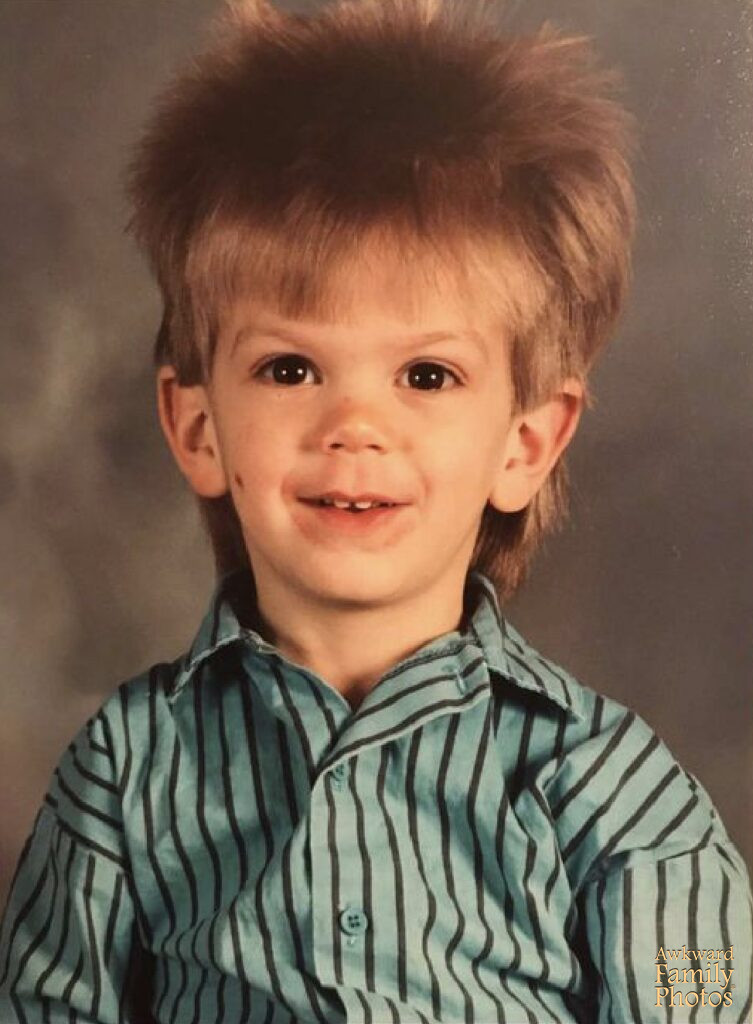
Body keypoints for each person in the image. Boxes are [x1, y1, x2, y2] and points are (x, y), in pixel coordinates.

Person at [0, 0, 750, 1020]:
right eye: (292, 365)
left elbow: (697, 996)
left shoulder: (607, 790)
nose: (354, 423)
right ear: (198, 426)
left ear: (526, 442)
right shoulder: (130, 768)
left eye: (428, 375)